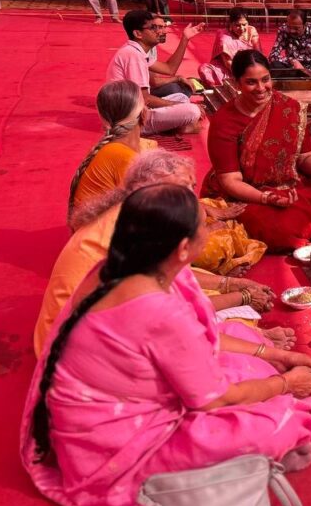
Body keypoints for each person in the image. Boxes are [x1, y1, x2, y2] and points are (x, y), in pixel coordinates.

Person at [22, 184, 311, 506]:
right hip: (112, 447)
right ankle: (259, 451)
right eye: (205, 227)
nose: (211, 231)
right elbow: (215, 400)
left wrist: (273, 355)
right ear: (183, 248)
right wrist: (287, 384)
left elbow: (198, 335)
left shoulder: (123, 266)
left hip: (100, 409)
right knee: (274, 425)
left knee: (241, 336)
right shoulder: (159, 311)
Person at [37, 150, 275, 357]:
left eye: (191, 188)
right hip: (81, 350)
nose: (192, 200)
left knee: (208, 294)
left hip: (93, 333)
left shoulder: (138, 215)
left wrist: (233, 285)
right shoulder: (134, 235)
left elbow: (181, 279)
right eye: (180, 191)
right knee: (232, 340)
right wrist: (244, 301)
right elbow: (175, 318)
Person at [203, 50, 311, 250]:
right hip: (248, 195)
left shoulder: (289, 107)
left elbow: (304, 157)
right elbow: (230, 181)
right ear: (236, 84)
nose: (261, 88)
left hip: (292, 185)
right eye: (251, 82)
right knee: (284, 228)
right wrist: (267, 198)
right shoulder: (224, 122)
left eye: (265, 79)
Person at [67, 81, 154, 221]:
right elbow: (146, 213)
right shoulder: (123, 156)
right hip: (102, 231)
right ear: (143, 113)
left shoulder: (120, 149)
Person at [106, 10, 203, 135]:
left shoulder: (137, 51)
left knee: (182, 97)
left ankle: (173, 124)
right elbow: (145, 99)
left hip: (136, 110)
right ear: (138, 33)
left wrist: (185, 39)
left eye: (161, 27)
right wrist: (178, 106)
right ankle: (172, 127)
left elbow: (169, 68)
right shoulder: (133, 55)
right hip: (130, 120)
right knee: (193, 111)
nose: (161, 31)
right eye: (153, 28)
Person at [266, 8, 311, 79]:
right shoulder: (283, 30)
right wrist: (293, 61)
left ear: (305, 24)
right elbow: (273, 55)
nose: (292, 31)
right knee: (274, 66)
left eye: (296, 28)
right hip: (292, 68)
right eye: (289, 27)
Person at [203, 8, 261, 84]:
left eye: (244, 24)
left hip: (249, 67)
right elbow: (228, 63)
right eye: (237, 25)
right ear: (230, 24)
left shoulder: (251, 30)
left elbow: (258, 53)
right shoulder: (223, 37)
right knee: (204, 69)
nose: (242, 28)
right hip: (228, 69)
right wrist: (242, 76)